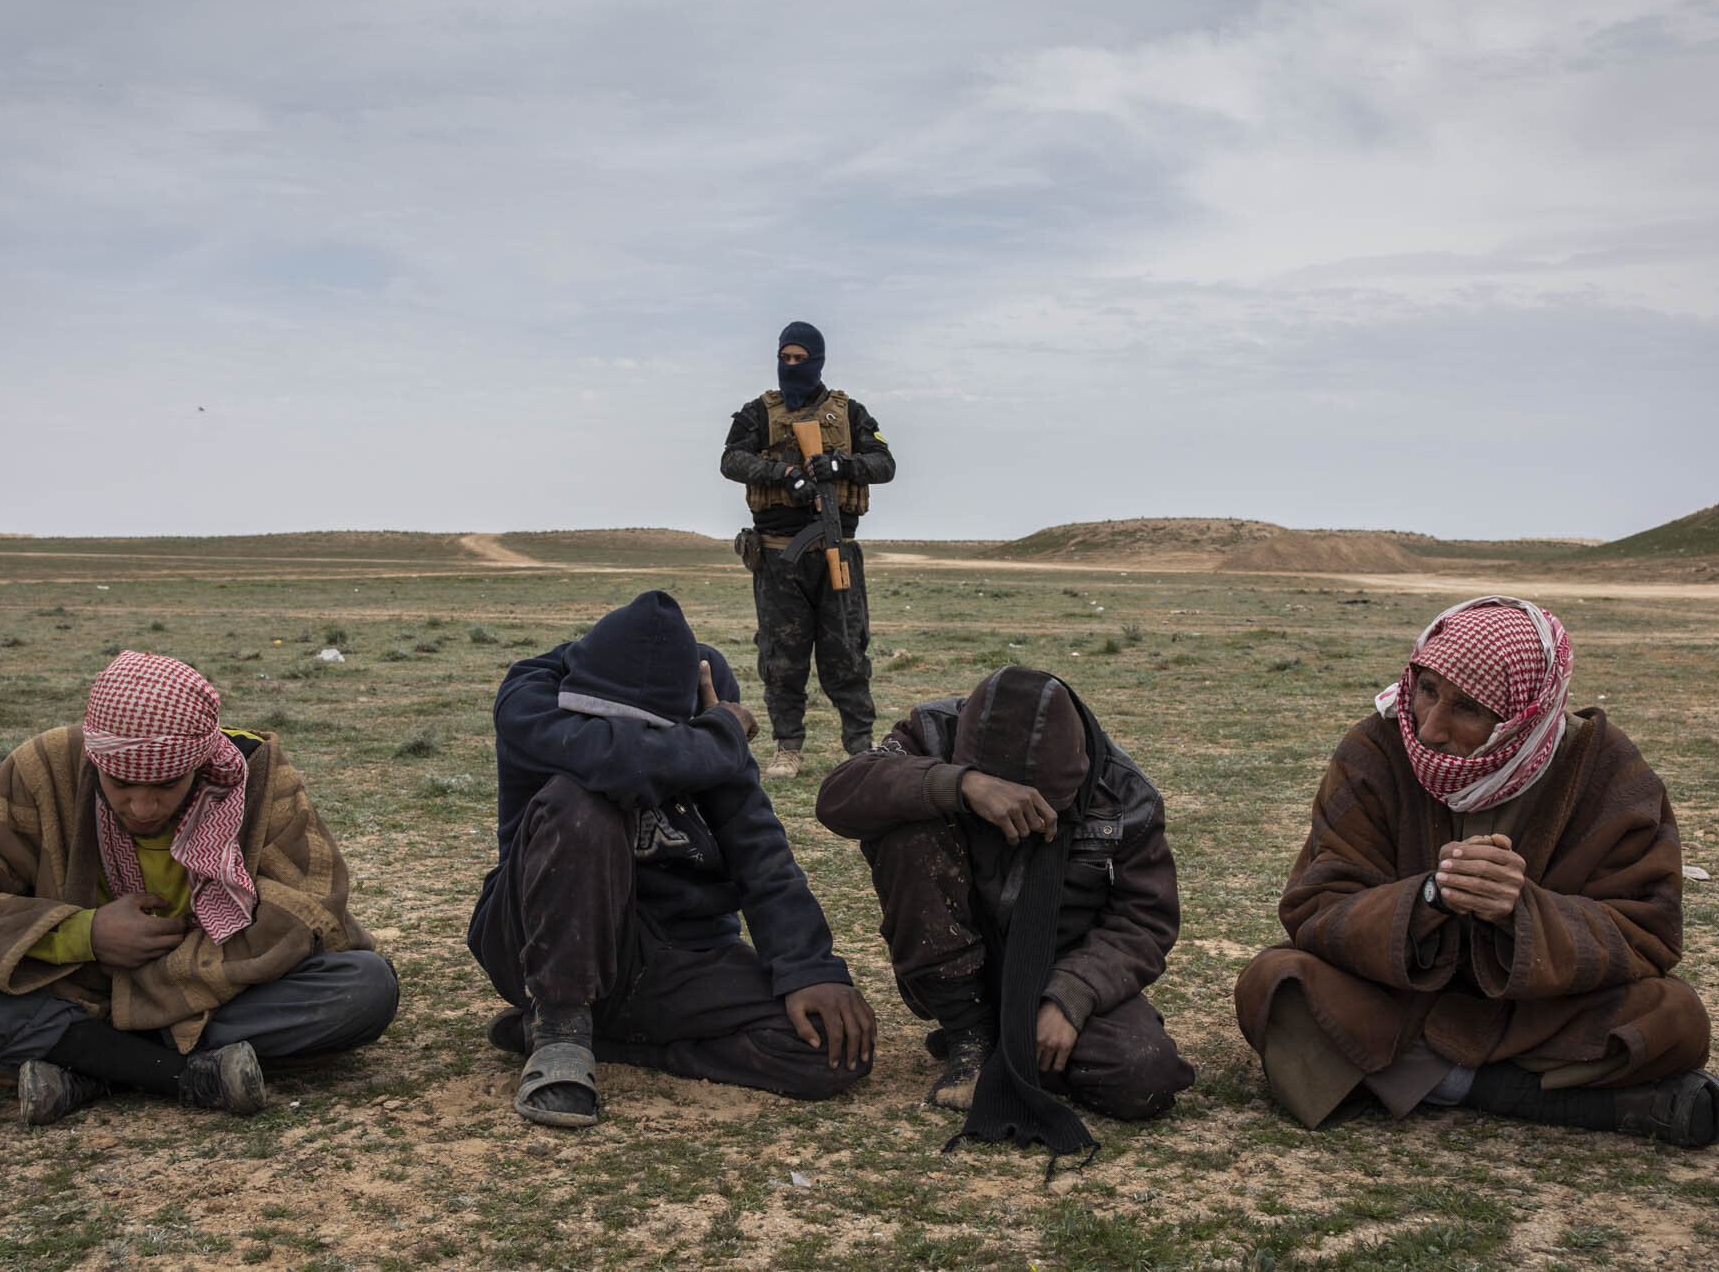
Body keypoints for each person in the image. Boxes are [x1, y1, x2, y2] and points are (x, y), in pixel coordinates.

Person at [1234, 596, 1719, 1147]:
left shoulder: (1607, 771)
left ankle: (1429, 1082)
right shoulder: (1377, 748)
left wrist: (1523, 910)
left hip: (1537, 1011)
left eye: (1467, 708)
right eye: (1427, 690)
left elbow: (1648, 930)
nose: (1429, 728)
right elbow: (1316, 905)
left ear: (1525, 715)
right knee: (1274, 982)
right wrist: (1427, 898)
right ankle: (1526, 1095)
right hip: (1393, 996)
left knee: (1674, 1017)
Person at [0, 651, 398, 1127]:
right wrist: (85, 934)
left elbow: (310, 904)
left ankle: (86, 1064)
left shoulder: (255, 776)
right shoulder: (46, 766)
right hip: (68, 986)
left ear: (200, 762)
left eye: (167, 785)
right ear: (96, 759)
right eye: (119, 784)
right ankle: (182, 1073)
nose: (142, 808)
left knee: (364, 986)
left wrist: (172, 972)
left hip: (208, 991)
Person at [469, 590, 877, 1129]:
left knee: (829, 1049)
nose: (633, 739)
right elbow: (620, 765)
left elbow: (754, 839)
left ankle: (616, 1044)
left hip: (675, 951)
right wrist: (719, 736)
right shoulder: (531, 696)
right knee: (580, 803)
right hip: (537, 939)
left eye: (653, 729)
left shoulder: (704, 691)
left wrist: (808, 968)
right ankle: (561, 1031)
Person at [817, 665, 1194, 1162]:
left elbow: (1145, 919)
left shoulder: (1124, 795)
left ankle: (1015, 1042)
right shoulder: (932, 734)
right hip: (959, 958)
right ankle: (969, 1032)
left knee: (1143, 1075)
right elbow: (840, 796)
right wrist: (963, 786)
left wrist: (1072, 998)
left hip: (1059, 972)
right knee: (907, 826)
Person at [720, 320, 895, 778]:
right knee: (782, 657)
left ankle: (860, 746)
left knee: (848, 654)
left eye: (801, 359)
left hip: (838, 550)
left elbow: (885, 463)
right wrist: (785, 476)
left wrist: (840, 463)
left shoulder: (850, 413)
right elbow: (731, 459)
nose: (792, 366)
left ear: (817, 360)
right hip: (780, 555)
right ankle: (788, 748)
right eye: (786, 358)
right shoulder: (758, 412)